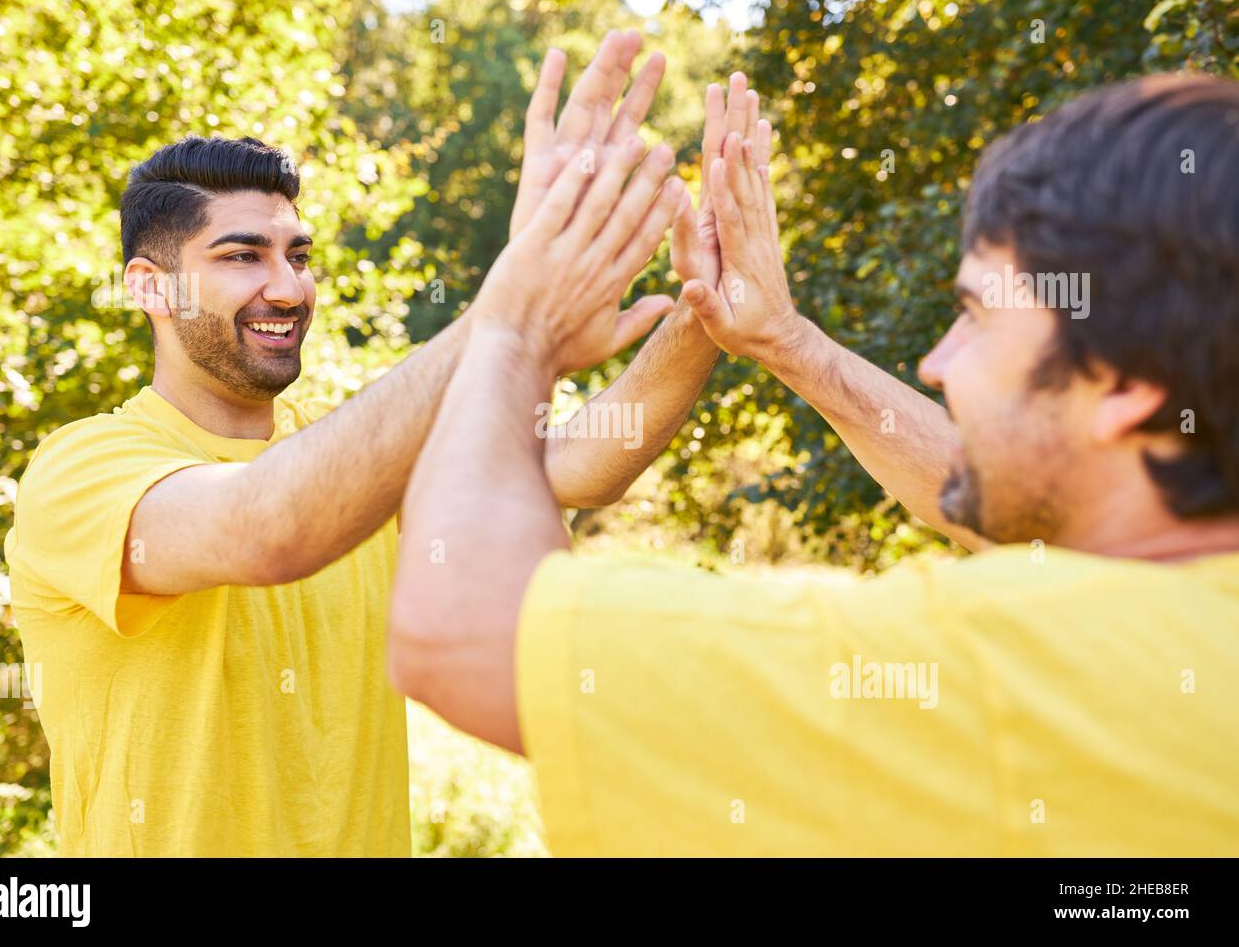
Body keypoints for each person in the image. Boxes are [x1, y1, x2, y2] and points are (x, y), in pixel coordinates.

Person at [389, 73, 1239, 855]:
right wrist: (790, 345)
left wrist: (514, 321)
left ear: (1124, 383)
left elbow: (460, 634)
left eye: (978, 316)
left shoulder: (1013, 671)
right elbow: (983, 492)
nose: (939, 363)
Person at [4, 30, 724, 856]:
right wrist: (510, 313)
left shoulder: (355, 456)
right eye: (243, 256)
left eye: (298, 254)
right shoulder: (82, 469)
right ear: (149, 285)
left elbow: (583, 463)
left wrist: (709, 304)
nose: (288, 286)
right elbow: (263, 529)